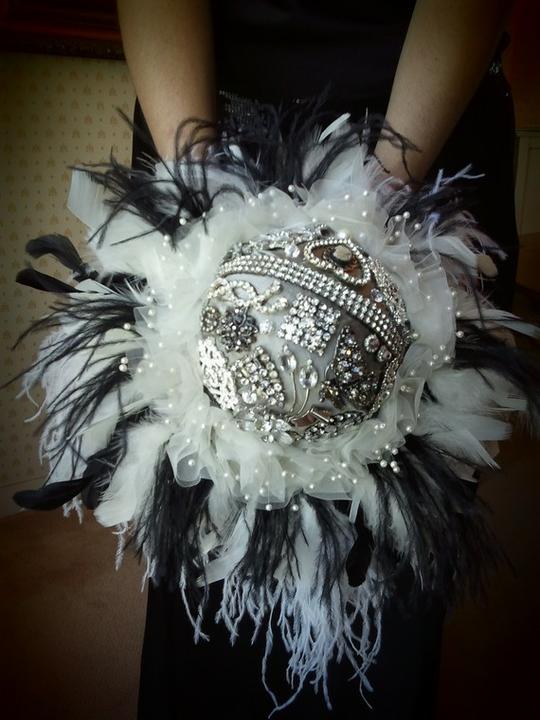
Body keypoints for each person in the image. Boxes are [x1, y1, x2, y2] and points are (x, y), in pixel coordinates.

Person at [115, 2, 517, 718]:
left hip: (425, 131)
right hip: (205, 128)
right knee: (202, 494)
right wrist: (195, 189)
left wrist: (380, 197)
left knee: (390, 528)